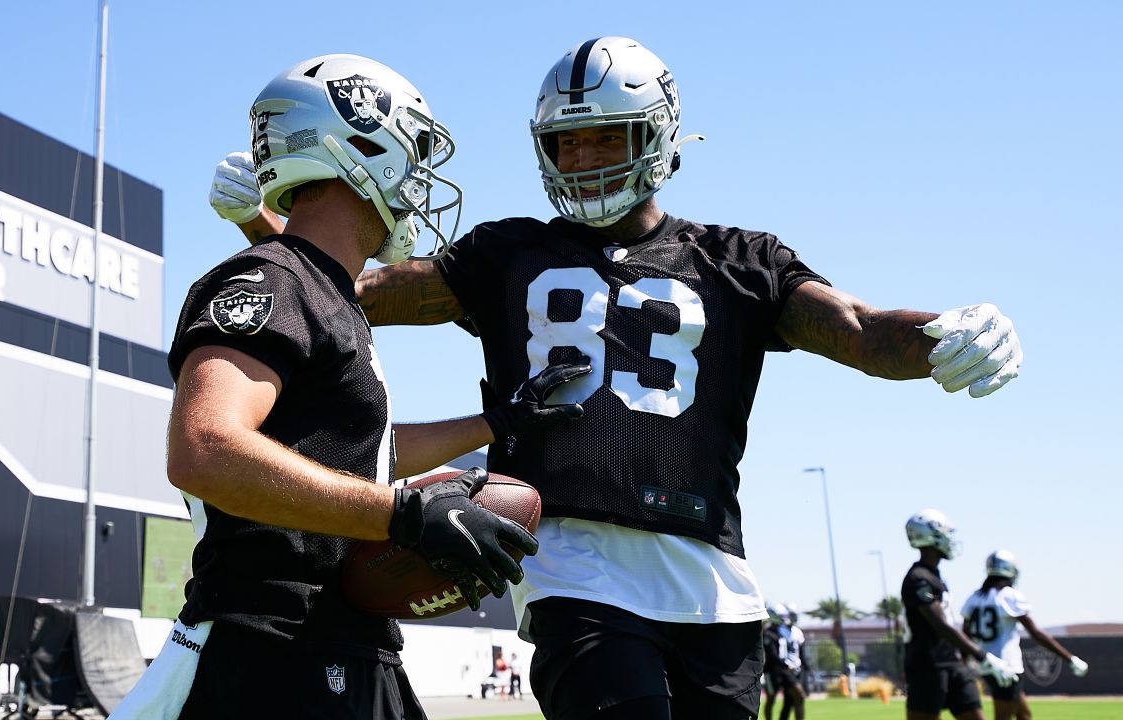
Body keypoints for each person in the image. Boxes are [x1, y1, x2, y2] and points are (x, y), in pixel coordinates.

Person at [212, 36, 1023, 720]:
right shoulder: (505, 254)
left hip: (711, 575)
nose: (585, 157)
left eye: (607, 137)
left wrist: (945, 337)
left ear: (659, 137)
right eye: (569, 141)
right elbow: (346, 291)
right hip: (571, 560)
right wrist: (266, 221)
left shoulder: (740, 260)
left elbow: (861, 329)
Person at [109, 53, 600, 720]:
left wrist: (497, 424)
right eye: (415, 151)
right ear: (362, 146)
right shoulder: (271, 280)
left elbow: (348, 456)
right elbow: (204, 448)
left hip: (337, 640)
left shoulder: (332, 299)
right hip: (273, 647)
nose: (421, 178)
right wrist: (403, 515)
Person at [901, 510, 1019, 720]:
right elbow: (941, 626)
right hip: (927, 667)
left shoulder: (934, 576)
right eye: (945, 533)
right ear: (932, 536)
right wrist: (983, 656)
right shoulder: (918, 578)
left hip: (952, 664)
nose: (949, 539)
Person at [961, 550, 1089, 720]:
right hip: (1007, 667)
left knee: (1024, 715)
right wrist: (1069, 658)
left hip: (986, 665)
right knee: (1003, 717)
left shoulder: (974, 597)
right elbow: (1036, 633)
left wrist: (963, 664)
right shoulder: (1008, 596)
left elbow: (965, 635)